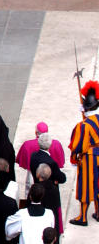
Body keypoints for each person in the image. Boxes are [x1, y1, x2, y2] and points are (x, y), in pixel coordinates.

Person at [68, 80, 99, 226]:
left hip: (89, 157)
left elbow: (78, 146)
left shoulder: (83, 125)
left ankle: (83, 217)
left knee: (86, 186)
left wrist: (75, 158)